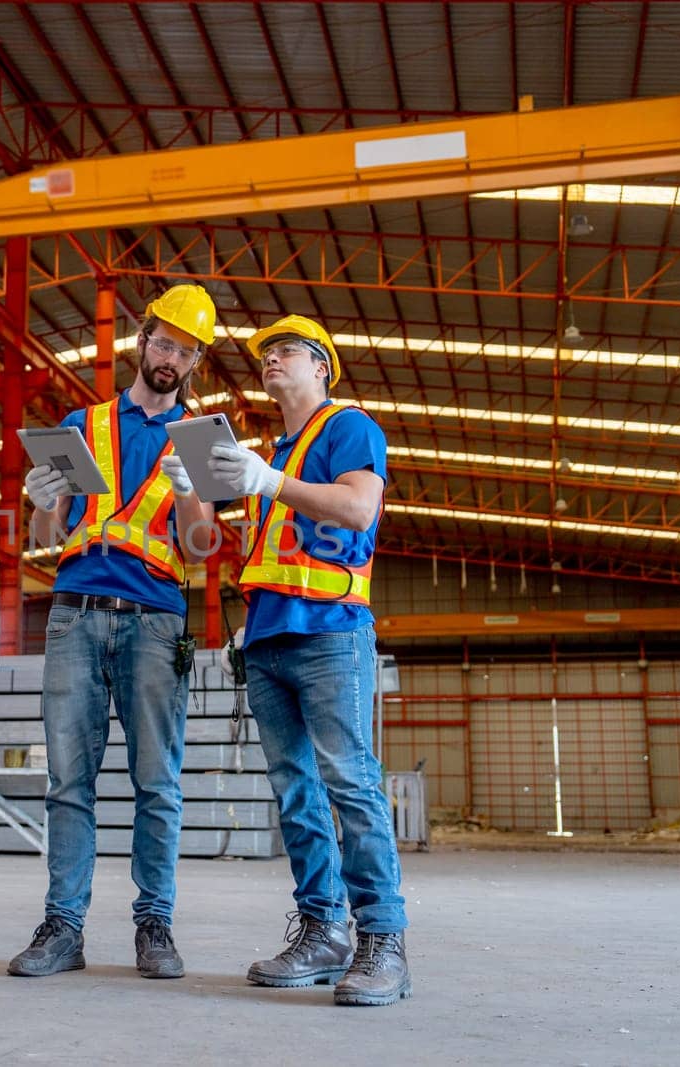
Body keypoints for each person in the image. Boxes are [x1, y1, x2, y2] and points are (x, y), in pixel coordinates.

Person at [7, 284, 216, 980]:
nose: (172, 358)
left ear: (195, 364)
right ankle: (63, 926)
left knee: (158, 781)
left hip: (155, 620)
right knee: (69, 779)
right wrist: (39, 504)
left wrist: (190, 490)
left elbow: (200, 545)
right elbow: (48, 534)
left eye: (186, 351)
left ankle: (154, 926)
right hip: (74, 612)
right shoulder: (84, 423)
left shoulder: (200, 438)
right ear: (142, 339)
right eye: (164, 342)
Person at [207, 313, 412, 1007]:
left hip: (330, 632)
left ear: (322, 366)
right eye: (265, 352)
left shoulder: (349, 428)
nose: (270, 358)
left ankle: (382, 937)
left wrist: (266, 481)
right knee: (296, 793)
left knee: (349, 781)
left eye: (286, 349)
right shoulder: (274, 455)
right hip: (267, 639)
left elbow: (358, 510)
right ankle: (322, 930)